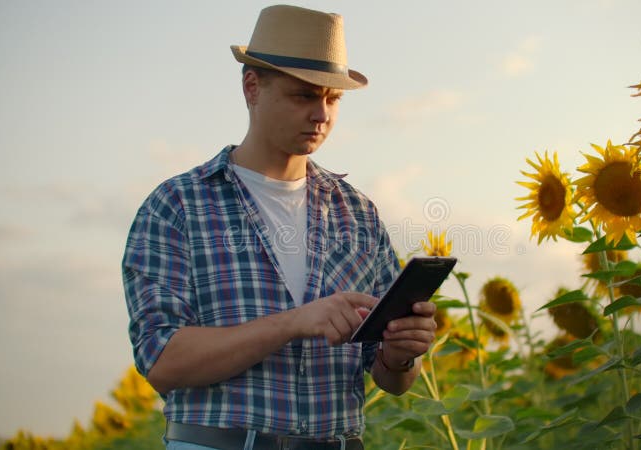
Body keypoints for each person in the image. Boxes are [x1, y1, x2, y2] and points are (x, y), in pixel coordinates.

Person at [122, 5, 437, 450]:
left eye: (333, 99)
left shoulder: (359, 213)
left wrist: (403, 354)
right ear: (252, 88)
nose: (322, 115)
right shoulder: (176, 206)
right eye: (303, 96)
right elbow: (161, 361)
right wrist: (292, 323)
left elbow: (389, 377)